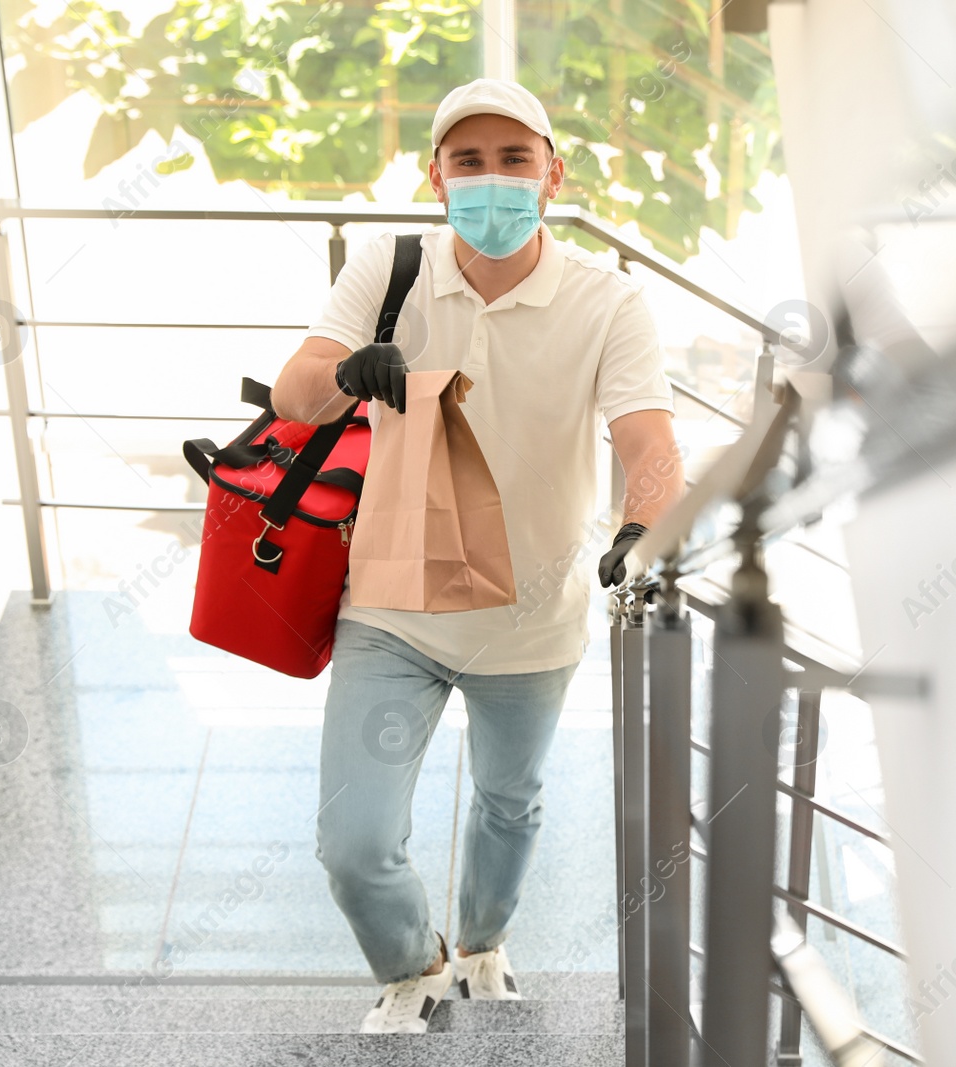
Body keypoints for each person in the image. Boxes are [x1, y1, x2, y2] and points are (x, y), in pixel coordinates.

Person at [270, 76, 685, 1034]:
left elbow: (647, 439)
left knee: (509, 804)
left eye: (513, 158)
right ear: (436, 177)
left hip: (532, 619)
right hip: (392, 609)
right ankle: (412, 962)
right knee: (353, 839)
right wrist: (344, 372)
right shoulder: (391, 267)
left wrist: (640, 523)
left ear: (552, 172)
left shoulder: (607, 302)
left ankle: (483, 944)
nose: (491, 179)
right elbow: (296, 394)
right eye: (468, 162)